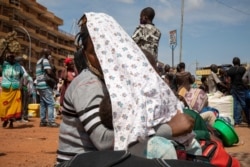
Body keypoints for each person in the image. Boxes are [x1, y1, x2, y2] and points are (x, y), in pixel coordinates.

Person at [56, 12, 200, 166]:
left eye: (107, 49)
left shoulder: (113, 83)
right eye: (94, 52)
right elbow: (104, 140)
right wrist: (170, 128)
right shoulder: (87, 84)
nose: (103, 56)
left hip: (105, 159)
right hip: (78, 162)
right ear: (85, 54)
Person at [0, 31, 31, 128]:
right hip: (6, 88)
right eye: (9, 57)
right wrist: (4, 47)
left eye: (13, 57)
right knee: (5, 105)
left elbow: (24, 75)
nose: (11, 58)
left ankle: (11, 122)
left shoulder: (19, 66)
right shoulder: (4, 65)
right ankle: (6, 119)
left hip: (15, 88)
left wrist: (22, 84)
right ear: (7, 57)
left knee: (15, 106)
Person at [35, 48, 59, 127]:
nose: (50, 54)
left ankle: (43, 121)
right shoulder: (45, 61)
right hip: (45, 84)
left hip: (39, 85)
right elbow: (48, 71)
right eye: (49, 53)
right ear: (46, 53)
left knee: (43, 103)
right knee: (51, 103)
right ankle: (51, 121)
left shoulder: (38, 61)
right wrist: (55, 78)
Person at [227, 57, 249, 127]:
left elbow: (229, 80)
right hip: (241, 88)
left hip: (233, 88)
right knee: (244, 104)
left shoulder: (230, 70)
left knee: (236, 105)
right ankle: (248, 119)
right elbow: (246, 78)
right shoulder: (243, 69)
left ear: (233, 62)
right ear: (239, 62)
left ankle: (237, 121)